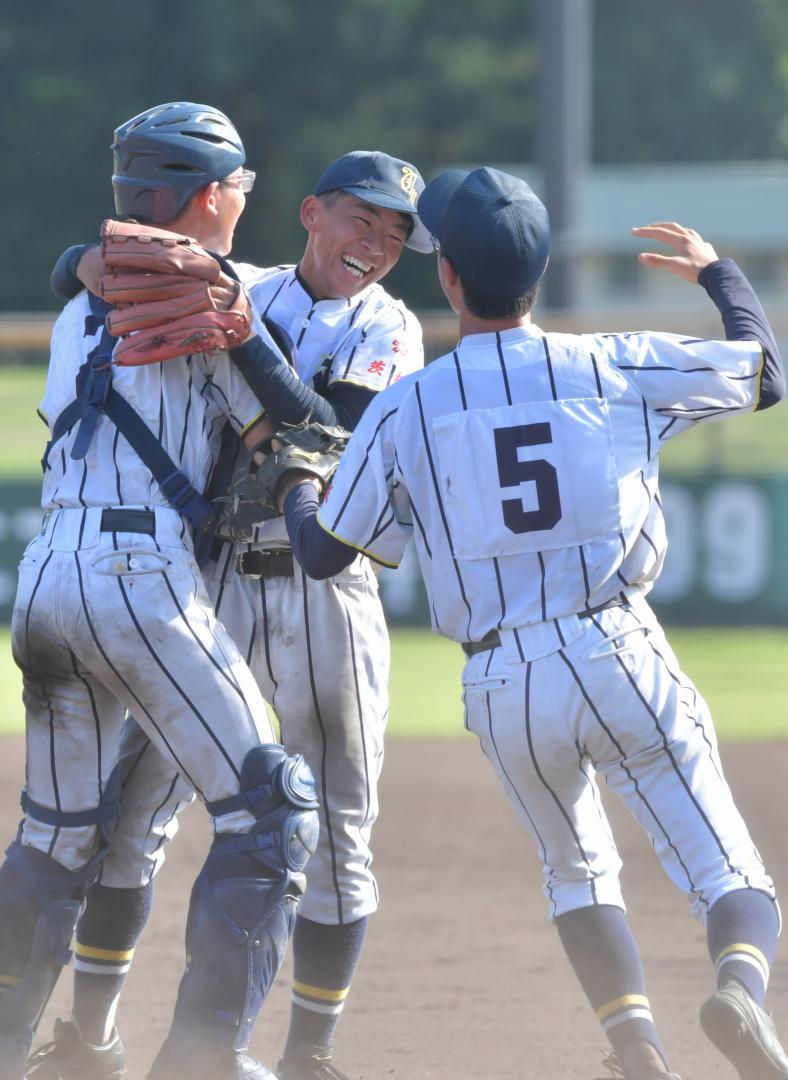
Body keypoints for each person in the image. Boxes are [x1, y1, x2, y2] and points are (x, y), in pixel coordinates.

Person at [275, 166, 788, 1080]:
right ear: (540, 275)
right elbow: (766, 374)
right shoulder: (611, 362)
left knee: (577, 869)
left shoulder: (407, 404)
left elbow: (323, 554)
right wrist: (719, 274)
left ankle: (636, 1046)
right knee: (725, 866)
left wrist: (296, 482)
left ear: (449, 277)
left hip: (503, 678)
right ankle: (740, 986)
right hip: (616, 643)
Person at [34, 148, 430, 1080]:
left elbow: (325, 426)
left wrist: (237, 327)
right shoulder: (242, 278)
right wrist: (83, 262)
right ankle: (90, 1038)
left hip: (327, 596)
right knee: (138, 810)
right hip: (210, 581)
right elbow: (97, 269)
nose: (377, 244)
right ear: (311, 213)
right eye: (363, 219)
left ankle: (306, 1057)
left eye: (396, 234)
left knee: (336, 831)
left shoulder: (391, 325)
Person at [3, 101, 320, 1080]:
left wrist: (79, 260)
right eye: (240, 186)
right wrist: (254, 345)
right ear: (212, 194)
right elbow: (299, 424)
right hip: (138, 578)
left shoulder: (78, 301)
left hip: (45, 576)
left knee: (56, 839)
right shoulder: (208, 293)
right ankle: (204, 1060)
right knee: (271, 811)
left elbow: (85, 272)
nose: (244, 200)